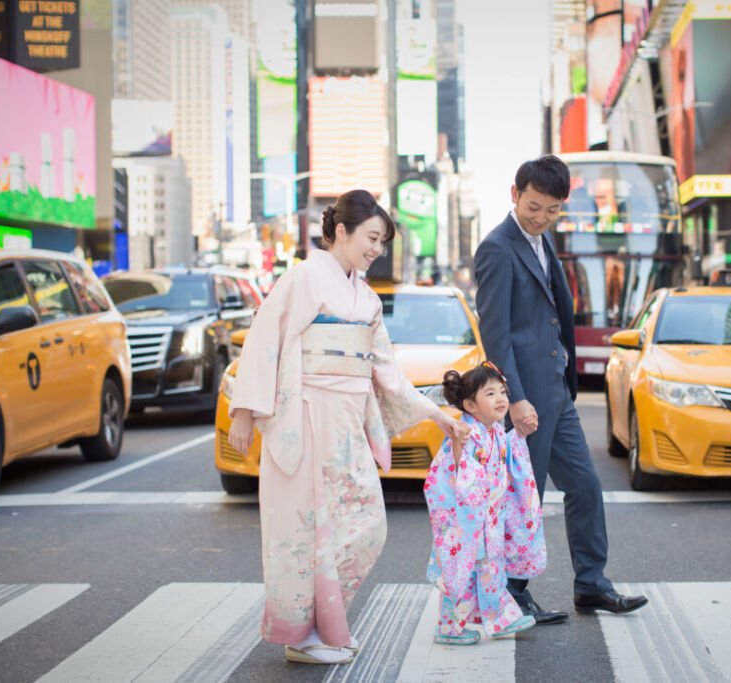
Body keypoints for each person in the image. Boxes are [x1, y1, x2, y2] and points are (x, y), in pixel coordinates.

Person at [227, 189, 468, 665]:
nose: (377, 249)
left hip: (347, 423)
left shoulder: (365, 297)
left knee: (365, 525)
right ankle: (304, 635)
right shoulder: (304, 278)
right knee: (308, 527)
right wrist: (244, 410)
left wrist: (440, 415)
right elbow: (265, 337)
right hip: (308, 415)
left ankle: (327, 624)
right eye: (372, 238)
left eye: (383, 241)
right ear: (342, 231)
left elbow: (388, 373)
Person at [474, 155, 648, 625]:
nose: (542, 218)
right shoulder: (496, 248)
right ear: (515, 193)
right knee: (521, 498)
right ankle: (512, 593)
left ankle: (591, 584)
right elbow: (497, 334)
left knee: (586, 488)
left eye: (552, 210)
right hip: (524, 397)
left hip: (557, 393)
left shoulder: (543, 242)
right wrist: (515, 398)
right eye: (534, 207)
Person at [423, 363, 544, 645]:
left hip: (490, 518)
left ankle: (499, 618)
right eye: (490, 394)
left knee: (492, 569)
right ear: (470, 405)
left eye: (502, 392)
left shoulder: (496, 432)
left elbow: (512, 460)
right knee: (462, 571)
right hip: (466, 521)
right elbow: (453, 469)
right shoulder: (465, 432)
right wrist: (457, 443)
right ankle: (449, 627)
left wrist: (522, 434)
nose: (501, 398)